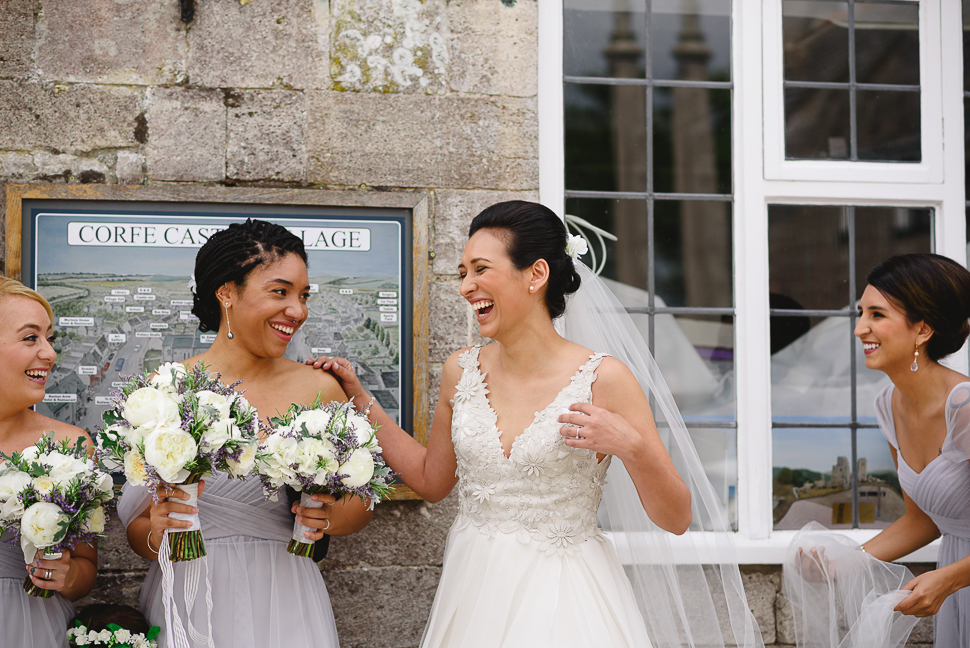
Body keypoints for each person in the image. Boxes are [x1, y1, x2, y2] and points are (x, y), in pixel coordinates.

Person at [314, 201, 765, 647]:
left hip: (567, 598)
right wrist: (358, 397)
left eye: (480, 269)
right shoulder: (460, 370)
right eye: (463, 273)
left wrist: (631, 446)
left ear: (536, 275)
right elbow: (432, 481)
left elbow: (678, 519)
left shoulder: (604, 378)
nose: (466, 287)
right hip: (474, 593)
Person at [117, 219, 372, 648]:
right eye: (280, 291)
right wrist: (155, 534)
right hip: (192, 591)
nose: (298, 310)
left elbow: (360, 505)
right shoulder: (168, 387)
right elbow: (137, 525)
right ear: (227, 293)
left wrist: (326, 517)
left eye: (303, 296)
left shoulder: (319, 388)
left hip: (286, 592)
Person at [785, 253, 970, 647]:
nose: (859, 328)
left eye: (877, 314)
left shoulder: (964, 407)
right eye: (860, 312)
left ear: (922, 329)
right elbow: (923, 521)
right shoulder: (889, 404)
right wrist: (840, 565)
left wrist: (951, 578)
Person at [0, 276, 98, 647]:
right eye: (31, 338)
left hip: (33, 625)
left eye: (49, 338)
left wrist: (65, 576)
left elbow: (86, 570)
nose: (50, 353)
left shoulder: (69, 445)